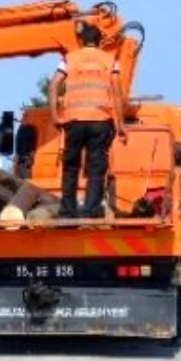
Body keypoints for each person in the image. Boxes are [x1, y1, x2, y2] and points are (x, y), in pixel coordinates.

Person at [47, 22, 126, 218]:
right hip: (101, 121)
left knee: (71, 166)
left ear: (82, 40)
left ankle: (68, 210)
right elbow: (117, 94)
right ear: (100, 41)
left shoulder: (69, 59)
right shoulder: (110, 60)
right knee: (96, 167)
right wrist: (121, 124)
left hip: (73, 121)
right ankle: (90, 210)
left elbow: (53, 86)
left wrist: (56, 116)